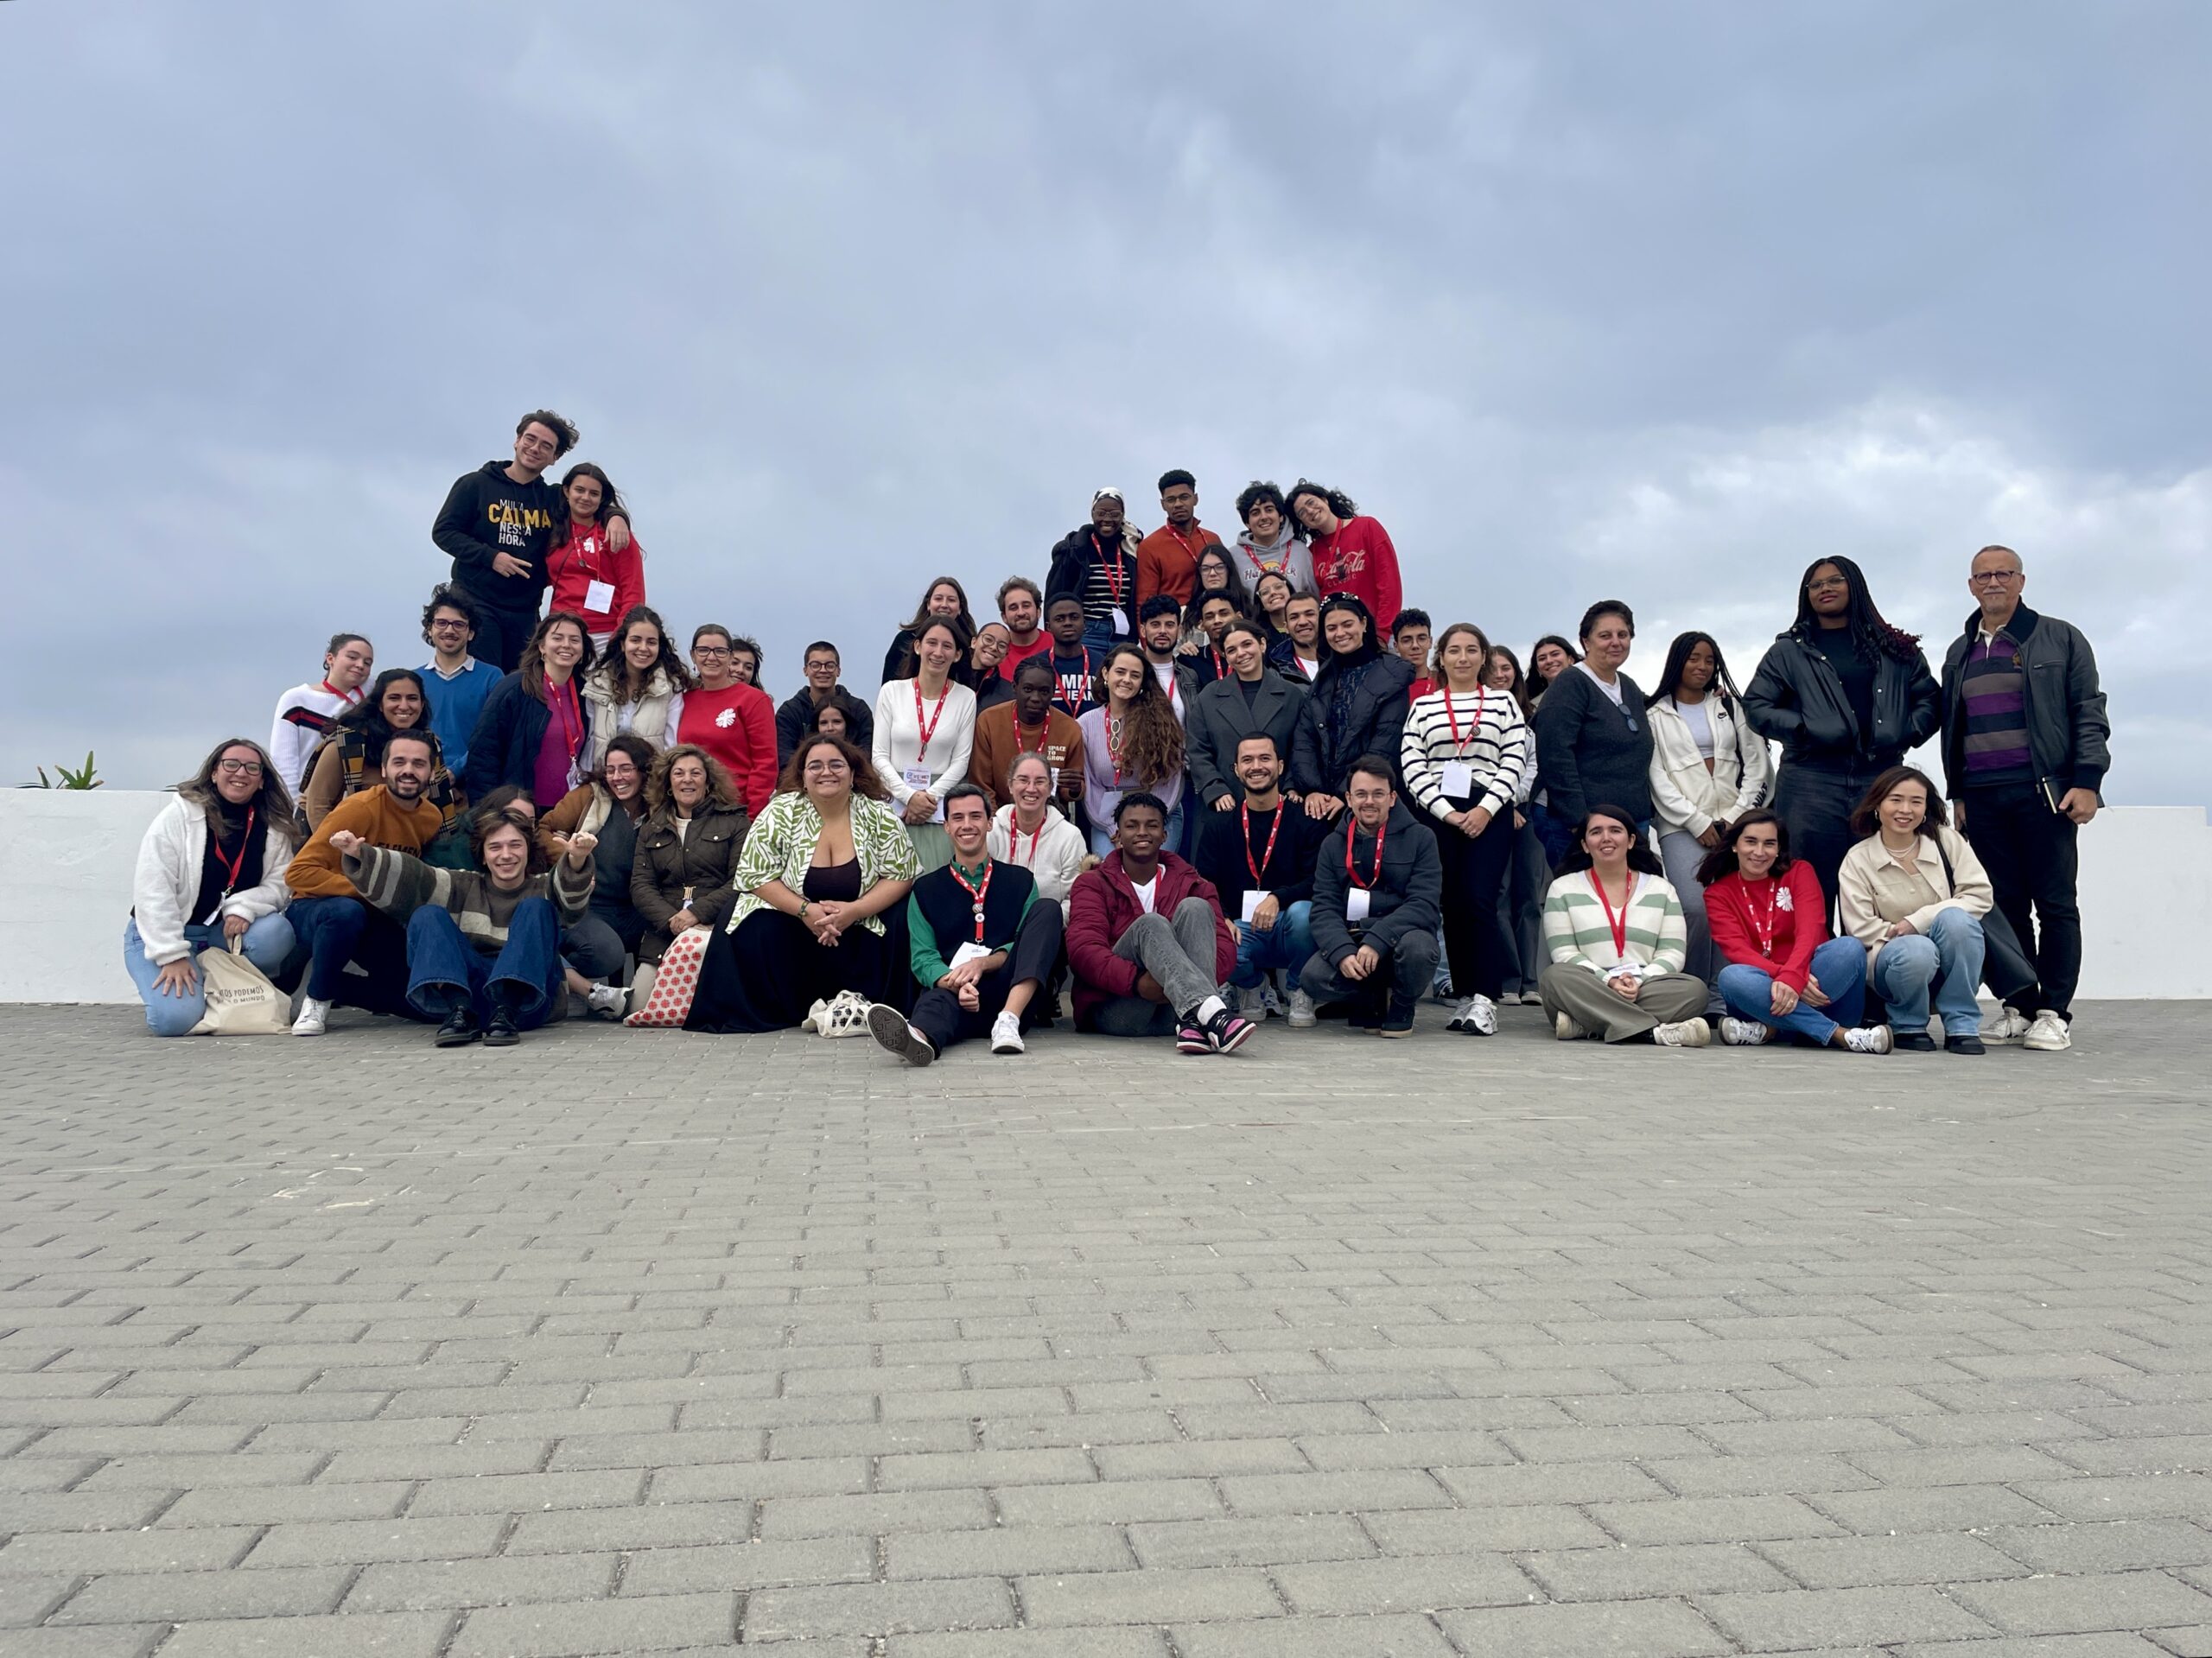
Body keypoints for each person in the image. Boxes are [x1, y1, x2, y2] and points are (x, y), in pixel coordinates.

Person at [1939, 544, 2111, 1052]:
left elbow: (2088, 710)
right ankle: (2021, 1005)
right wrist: (1958, 794)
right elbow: (1955, 727)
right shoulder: (1959, 651)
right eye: (1983, 576)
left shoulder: (2060, 637)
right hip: (1982, 796)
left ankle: (2054, 1013)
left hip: (2045, 792)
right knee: (2002, 903)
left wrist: (2088, 781)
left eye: (2003, 573)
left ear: (2020, 581)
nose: (1993, 582)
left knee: (2054, 904)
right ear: (1971, 586)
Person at [1745, 556, 1942, 915]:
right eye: (1816, 584)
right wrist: (1804, 729)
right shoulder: (1788, 651)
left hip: (1879, 777)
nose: (1826, 589)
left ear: (1855, 586)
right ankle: (1815, 953)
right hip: (1810, 780)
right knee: (1809, 890)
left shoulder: (1894, 647)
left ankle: (1878, 953)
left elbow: (1929, 698)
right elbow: (1757, 705)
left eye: (1835, 580)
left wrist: (1905, 731)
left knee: (1879, 889)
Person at [685, 733, 919, 1032]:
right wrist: (805, 911)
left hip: (862, 927)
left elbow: (901, 874)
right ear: (803, 777)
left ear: (852, 774)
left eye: (836, 765)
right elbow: (755, 874)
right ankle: (778, 1008)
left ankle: (884, 1007)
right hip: (794, 926)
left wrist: (854, 911)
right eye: (815, 766)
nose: (826, 772)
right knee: (741, 915)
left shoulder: (878, 814)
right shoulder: (780, 811)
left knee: (905, 913)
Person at [334, 804, 595, 1045]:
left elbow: (569, 900)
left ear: (528, 850)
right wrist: (360, 854)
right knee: (426, 914)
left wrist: (577, 859)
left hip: (528, 1001)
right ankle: (459, 1012)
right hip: (471, 995)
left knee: (536, 907)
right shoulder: (463, 884)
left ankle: (506, 1010)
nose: (506, 855)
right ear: (483, 856)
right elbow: (415, 878)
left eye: (515, 845)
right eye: (495, 847)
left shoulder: (543, 887)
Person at [871, 785, 1066, 1064]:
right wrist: (956, 985)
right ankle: (916, 1038)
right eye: (957, 818)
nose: (967, 825)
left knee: (1048, 909)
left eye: (975, 816)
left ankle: (1007, 1021)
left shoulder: (1021, 881)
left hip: (1010, 994)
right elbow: (924, 958)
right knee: (934, 1001)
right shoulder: (925, 889)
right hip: (956, 994)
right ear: (946, 827)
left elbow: (1027, 946)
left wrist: (982, 964)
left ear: (989, 823)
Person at [1402, 624, 1532, 1035]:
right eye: (1454, 650)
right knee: (1452, 903)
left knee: (1480, 899)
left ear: (1484, 657)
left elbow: (1514, 758)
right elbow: (1412, 763)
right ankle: (1463, 995)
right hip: (1439, 812)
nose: (1463, 658)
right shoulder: (1423, 707)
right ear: (1440, 657)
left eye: (1471, 650)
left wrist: (1485, 809)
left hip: (1489, 809)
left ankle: (1486, 997)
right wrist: (1446, 812)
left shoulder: (1502, 702)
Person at [125, 738, 300, 1037]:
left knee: (276, 933)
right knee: (174, 1022)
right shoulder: (179, 816)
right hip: (163, 934)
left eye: (252, 768)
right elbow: (153, 890)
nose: (241, 773)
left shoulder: (273, 825)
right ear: (214, 773)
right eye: (231, 764)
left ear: (261, 781)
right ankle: (203, 996)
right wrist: (171, 955)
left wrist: (244, 907)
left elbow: (280, 883)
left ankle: (223, 994)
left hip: (221, 934)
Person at [432, 410, 628, 673]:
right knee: (485, 681)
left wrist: (616, 517)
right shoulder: (476, 484)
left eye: (546, 446)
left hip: (524, 611)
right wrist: (491, 557)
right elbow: (444, 532)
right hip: (476, 602)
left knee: (523, 683)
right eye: (530, 439)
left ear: (555, 457)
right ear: (517, 440)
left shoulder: (553, 498)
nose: (535, 448)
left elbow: (588, 503)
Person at [281, 731, 448, 1034]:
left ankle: (339, 987)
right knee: (347, 911)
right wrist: (366, 889)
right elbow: (298, 873)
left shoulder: (431, 818)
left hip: (374, 915)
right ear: (384, 770)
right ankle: (317, 1000)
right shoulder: (359, 808)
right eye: (399, 762)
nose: (408, 770)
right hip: (317, 908)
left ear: (431, 773)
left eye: (418, 763)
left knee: (427, 1005)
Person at [1647, 631, 1775, 1013]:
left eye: (1709, 660)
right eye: (1693, 658)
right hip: (1681, 826)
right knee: (1695, 907)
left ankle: (1720, 998)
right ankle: (1690, 991)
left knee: (1732, 909)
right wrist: (1697, 821)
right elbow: (1657, 776)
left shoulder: (1731, 707)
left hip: (1735, 826)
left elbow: (1758, 766)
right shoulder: (1654, 714)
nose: (1702, 667)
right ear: (1677, 662)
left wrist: (1735, 820)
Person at [1065, 793, 1251, 1051]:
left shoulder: (1196, 884)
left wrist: (1178, 982)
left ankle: (1197, 1021)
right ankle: (1213, 1013)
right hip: (1120, 1009)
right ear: (1117, 835)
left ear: (1164, 835)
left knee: (1196, 907)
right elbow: (1083, 951)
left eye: (1152, 825)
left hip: (1176, 1016)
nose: (1142, 832)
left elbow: (1223, 950)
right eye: (1132, 826)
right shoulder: (1092, 883)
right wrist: (1137, 982)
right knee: (1151, 923)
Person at [1700, 811, 1889, 1053]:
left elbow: (1810, 930)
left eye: (1769, 843)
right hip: (1765, 994)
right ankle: (1839, 1034)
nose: (1759, 852)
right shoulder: (1717, 893)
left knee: (1849, 948)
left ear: (1779, 849)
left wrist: (1794, 976)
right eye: (1750, 842)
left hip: (1814, 984)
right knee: (1732, 977)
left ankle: (1773, 1030)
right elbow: (1737, 951)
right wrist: (1788, 977)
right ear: (1735, 846)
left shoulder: (1799, 871)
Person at [1838, 765, 1993, 1054]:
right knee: (1917, 950)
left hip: (1952, 956)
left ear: (1926, 808)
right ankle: (1907, 1025)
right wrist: (1912, 938)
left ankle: (1962, 1025)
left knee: (1957, 921)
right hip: (1892, 963)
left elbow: (1979, 895)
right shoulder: (1858, 859)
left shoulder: (1947, 841)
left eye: (1916, 802)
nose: (1905, 810)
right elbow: (1861, 928)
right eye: (1896, 800)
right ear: (1877, 804)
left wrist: (1919, 921)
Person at [1539, 804, 1711, 1047]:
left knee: (1694, 991)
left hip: (1644, 986)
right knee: (1555, 978)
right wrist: (1608, 981)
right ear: (1585, 845)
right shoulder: (1562, 888)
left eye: (1615, 830)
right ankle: (1653, 1034)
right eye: (1596, 832)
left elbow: (1672, 953)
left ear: (1630, 841)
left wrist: (1638, 981)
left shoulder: (1662, 889)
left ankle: (1589, 1025)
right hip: (1588, 984)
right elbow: (1564, 953)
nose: (1606, 838)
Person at [1195, 733, 1329, 1027]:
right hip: (1242, 929)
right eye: (1248, 760)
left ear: (1280, 766)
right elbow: (1204, 882)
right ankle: (1252, 986)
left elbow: (1319, 881)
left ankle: (1299, 989)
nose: (1256, 766)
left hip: (1289, 926)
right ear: (1236, 770)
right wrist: (1222, 918)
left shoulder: (1305, 819)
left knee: (1305, 913)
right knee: (1212, 931)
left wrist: (1278, 898)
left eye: (1264, 758)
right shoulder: (1219, 825)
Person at [538, 731, 656, 1018]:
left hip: (638, 906)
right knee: (606, 953)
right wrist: (571, 859)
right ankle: (568, 979)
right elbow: (542, 829)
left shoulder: (658, 805)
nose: (617, 777)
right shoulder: (589, 796)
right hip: (590, 906)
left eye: (626, 769)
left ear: (644, 771)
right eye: (611, 770)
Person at [1532, 600, 1654, 835]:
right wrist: (1579, 821)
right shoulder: (1571, 684)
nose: (1616, 642)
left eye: (1623, 635)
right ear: (1586, 642)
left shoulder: (1628, 686)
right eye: (1605, 636)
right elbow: (1555, 757)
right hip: (1585, 826)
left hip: (1632, 820)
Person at [630, 745, 752, 977]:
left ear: (708, 782)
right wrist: (672, 921)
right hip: (665, 933)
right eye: (679, 773)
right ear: (668, 783)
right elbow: (641, 885)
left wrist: (696, 914)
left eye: (696, 773)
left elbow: (742, 881)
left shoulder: (736, 822)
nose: (687, 779)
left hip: (718, 928)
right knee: (642, 999)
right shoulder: (651, 828)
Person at [1290, 594, 1414, 818]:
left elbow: (1385, 743)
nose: (1340, 633)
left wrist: (1346, 793)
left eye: (1347, 624)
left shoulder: (1392, 675)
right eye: (1332, 628)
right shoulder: (1324, 677)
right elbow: (1305, 737)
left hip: (1368, 798)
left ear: (1364, 623)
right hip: (1323, 800)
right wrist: (1313, 789)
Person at [873, 618, 978, 873]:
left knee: (936, 878)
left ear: (957, 655)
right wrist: (909, 796)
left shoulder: (965, 697)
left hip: (939, 803)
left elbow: (961, 761)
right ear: (918, 647)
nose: (938, 652)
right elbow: (879, 756)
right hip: (894, 799)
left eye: (947, 646)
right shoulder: (892, 691)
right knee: (891, 879)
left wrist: (928, 799)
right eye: (932, 643)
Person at [461, 612, 594, 808]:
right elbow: (483, 753)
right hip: (520, 810)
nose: (566, 645)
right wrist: (487, 812)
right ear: (542, 646)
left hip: (569, 811)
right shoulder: (514, 688)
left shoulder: (587, 693)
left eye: (575, 640)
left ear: (582, 650)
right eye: (557, 638)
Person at [1077, 645, 1187, 859]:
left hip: (1159, 815)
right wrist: (1113, 828)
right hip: (1107, 820)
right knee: (1111, 874)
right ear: (1106, 673)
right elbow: (1091, 784)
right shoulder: (1086, 724)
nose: (1126, 680)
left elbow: (1171, 780)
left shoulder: (1162, 721)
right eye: (1120, 672)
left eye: (1135, 675)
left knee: (1149, 872)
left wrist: (1146, 823)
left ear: (1142, 682)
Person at [1187, 620, 1308, 813]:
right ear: (1225, 657)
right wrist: (1214, 788)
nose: (1241, 653)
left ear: (1262, 644)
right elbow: (1197, 749)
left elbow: (1302, 747)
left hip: (1280, 801)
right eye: (1232, 650)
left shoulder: (1292, 695)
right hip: (1225, 804)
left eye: (1247, 644)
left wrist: (1292, 786)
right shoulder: (1209, 697)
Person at [294, 669, 434, 833]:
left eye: (412, 698)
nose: (404, 706)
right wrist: (336, 846)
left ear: (422, 704)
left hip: (388, 834)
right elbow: (317, 806)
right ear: (380, 704)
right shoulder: (346, 744)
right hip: (326, 832)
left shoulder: (429, 745)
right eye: (394, 698)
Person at [1485, 644, 1548, 1005]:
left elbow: (1533, 769)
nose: (1500, 674)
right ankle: (1508, 980)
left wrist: (1512, 802)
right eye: (1492, 668)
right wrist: (1500, 805)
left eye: (1506, 667)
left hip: (1525, 815)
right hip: (1487, 816)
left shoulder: (1528, 725)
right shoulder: (1475, 720)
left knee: (1529, 898)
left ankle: (1530, 982)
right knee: (1499, 896)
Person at [664, 624, 779, 817]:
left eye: (719, 651)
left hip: (734, 812)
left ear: (730, 656)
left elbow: (765, 764)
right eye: (703, 650)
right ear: (693, 655)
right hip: (690, 811)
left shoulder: (754, 700)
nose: (711, 657)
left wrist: (752, 818)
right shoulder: (682, 699)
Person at [544, 461, 646, 648]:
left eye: (594, 493)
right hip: (560, 630)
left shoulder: (615, 532)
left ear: (602, 498)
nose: (585, 498)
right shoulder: (553, 531)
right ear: (567, 491)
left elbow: (634, 590)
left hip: (605, 633)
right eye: (579, 490)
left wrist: (622, 635)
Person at [1287, 480, 1402, 634]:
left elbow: (1389, 584)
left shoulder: (1367, 527)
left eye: (1311, 502)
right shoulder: (1310, 552)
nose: (1310, 511)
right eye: (1302, 512)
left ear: (1325, 500)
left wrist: (1383, 633)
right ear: (1302, 522)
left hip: (1375, 633)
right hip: (1338, 637)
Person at [972, 657, 1086, 813]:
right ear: (1014, 687)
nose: (1035, 698)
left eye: (1044, 691)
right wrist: (994, 821)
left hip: (1049, 814)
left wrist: (1074, 789)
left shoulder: (1070, 729)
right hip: (1000, 813)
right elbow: (982, 784)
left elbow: (1070, 791)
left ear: (1053, 692)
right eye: (1028, 689)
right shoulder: (989, 721)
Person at [579, 605, 685, 769]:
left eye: (651, 642)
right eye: (635, 640)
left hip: (651, 780)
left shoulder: (670, 688)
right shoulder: (598, 684)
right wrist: (586, 778)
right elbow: (590, 741)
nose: (643, 648)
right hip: (605, 778)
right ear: (623, 644)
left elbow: (671, 746)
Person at [269, 633, 373, 795]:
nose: (360, 665)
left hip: (353, 802)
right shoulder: (297, 699)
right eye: (352, 657)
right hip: (306, 799)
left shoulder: (368, 697)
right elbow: (283, 762)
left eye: (367, 663)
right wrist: (294, 804)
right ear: (330, 658)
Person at [990, 752, 1091, 918]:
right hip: (997, 923)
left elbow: (1075, 896)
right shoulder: (991, 831)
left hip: (1047, 926)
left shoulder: (1070, 836)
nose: (1031, 789)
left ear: (1051, 788)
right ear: (1010, 785)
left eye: (1040, 781)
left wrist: (1046, 921)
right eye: (1023, 780)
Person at [1046, 488, 1142, 648]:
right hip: (1088, 633)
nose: (1107, 519)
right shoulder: (1075, 549)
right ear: (1092, 514)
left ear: (1122, 515)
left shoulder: (1130, 548)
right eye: (1101, 513)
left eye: (1114, 514)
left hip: (1123, 635)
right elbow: (1055, 595)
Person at [417, 588, 498, 781]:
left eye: (459, 624)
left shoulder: (492, 678)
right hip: (421, 781)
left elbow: (496, 735)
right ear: (430, 629)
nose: (449, 630)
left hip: (476, 783)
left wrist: (455, 772)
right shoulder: (414, 680)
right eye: (441, 623)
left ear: (471, 633)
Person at [775, 642, 875, 769]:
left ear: (838, 670)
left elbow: (866, 754)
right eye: (815, 665)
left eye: (830, 665)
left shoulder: (859, 709)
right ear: (805, 670)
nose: (823, 670)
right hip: (801, 778)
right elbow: (784, 757)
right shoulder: (789, 712)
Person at [1136, 468, 1224, 608]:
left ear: (1195, 499)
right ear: (1163, 504)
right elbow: (1145, 601)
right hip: (1175, 618)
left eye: (1184, 497)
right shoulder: (1150, 546)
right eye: (1171, 500)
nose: (1178, 504)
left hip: (1215, 615)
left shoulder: (1212, 539)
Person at [882, 577, 977, 684]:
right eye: (938, 599)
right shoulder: (905, 639)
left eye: (951, 600)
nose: (944, 605)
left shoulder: (968, 646)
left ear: (960, 608)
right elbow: (889, 685)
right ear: (928, 604)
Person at [1230, 480, 1316, 594]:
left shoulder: (1301, 551)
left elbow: (1315, 596)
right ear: (1247, 523)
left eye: (1269, 510)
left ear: (1280, 517)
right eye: (1255, 513)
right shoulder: (1234, 556)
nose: (1264, 517)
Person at [1136, 595, 1200, 719]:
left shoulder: (1190, 676)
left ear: (1179, 631)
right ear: (1143, 630)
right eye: (1155, 625)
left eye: (1169, 625)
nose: (1163, 631)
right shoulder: (1132, 672)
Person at [1042, 594, 1103, 718]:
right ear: (1048, 627)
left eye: (1074, 617)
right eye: (1059, 619)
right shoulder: (1036, 664)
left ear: (1084, 623)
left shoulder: (1102, 664)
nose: (1067, 623)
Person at [1181, 592, 1245, 689]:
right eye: (1209, 617)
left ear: (1239, 618)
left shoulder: (1253, 656)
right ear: (1202, 625)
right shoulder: (1190, 661)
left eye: (1224, 614)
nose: (1217, 620)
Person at [995, 576, 1053, 683]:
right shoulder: (995, 651)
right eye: (1013, 608)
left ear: (1038, 612)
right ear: (1004, 617)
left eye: (1026, 606)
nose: (1021, 613)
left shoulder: (1056, 645)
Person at [1269, 591, 1325, 685]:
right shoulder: (1276, 675)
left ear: (1323, 619)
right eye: (1294, 617)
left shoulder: (1344, 659)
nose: (1302, 622)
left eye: (1310, 614)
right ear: (1286, 627)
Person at [965, 622, 1016, 711]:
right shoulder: (951, 676)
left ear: (1005, 656)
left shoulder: (1009, 694)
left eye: (1002, 646)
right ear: (974, 642)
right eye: (988, 639)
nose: (994, 647)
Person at [1526, 635, 1580, 707]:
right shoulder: (1532, 707)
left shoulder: (1590, 690)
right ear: (1538, 670)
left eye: (1555, 654)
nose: (1549, 661)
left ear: (1571, 660)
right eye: (1542, 658)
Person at [1392, 610, 1436, 699]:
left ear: (1430, 642)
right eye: (1407, 641)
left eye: (1422, 639)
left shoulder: (1446, 682)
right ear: (1396, 646)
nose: (1415, 645)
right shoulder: (1386, 686)